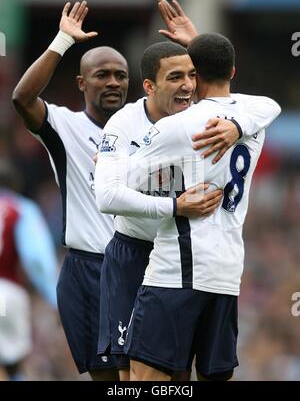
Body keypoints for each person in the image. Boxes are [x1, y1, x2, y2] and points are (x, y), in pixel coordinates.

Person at [116, 31, 281, 381]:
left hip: (177, 271)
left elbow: (115, 187)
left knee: (143, 380)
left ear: (194, 76)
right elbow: (268, 104)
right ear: (233, 72)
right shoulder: (254, 122)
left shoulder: (177, 126)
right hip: (227, 273)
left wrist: (108, 160)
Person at [94, 40, 243, 381]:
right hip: (135, 255)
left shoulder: (207, 118)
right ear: (149, 86)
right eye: (175, 77)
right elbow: (107, 197)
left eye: (192, 75)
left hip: (187, 256)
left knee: (183, 375)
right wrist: (175, 206)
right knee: (134, 377)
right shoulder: (123, 125)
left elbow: (244, 102)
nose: (188, 85)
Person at [12, 1, 129, 381]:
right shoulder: (65, 126)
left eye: (120, 75)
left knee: (144, 374)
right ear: (82, 83)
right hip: (83, 269)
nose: (113, 82)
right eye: (102, 75)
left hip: (133, 266)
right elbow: (22, 98)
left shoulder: (148, 128)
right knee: (106, 378)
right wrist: (63, 40)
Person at [0, 159, 58, 381]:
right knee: (13, 366)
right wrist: (54, 297)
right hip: (6, 293)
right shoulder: (21, 208)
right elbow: (37, 259)